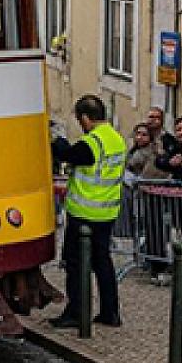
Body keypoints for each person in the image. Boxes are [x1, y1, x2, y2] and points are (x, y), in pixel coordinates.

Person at [50, 95, 126, 328]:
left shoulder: (93, 142)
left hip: (84, 213)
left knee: (75, 265)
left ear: (85, 118)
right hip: (107, 212)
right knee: (103, 262)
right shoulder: (116, 139)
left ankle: (76, 313)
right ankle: (110, 312)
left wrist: (56, 139)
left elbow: (69, 154)